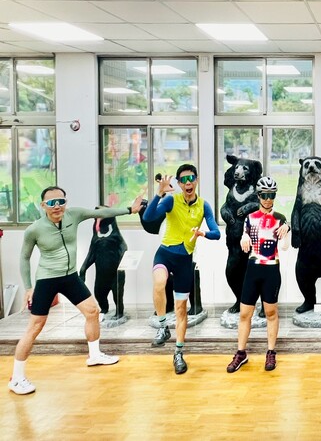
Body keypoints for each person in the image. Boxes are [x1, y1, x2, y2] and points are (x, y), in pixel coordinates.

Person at [9, 186, 143, 395]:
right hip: (47, 279)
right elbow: (24, 257)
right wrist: (28, 287)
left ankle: (94, 355)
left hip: (70, 277)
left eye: (61, 201)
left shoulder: (74, 214)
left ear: (66, 202)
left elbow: (103, 212)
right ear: (43, 205)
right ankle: (17, 378)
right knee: (35, 326)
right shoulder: (34, 229)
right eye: (51, 203)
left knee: (92, 311)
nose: (57, 206)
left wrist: (129, 210)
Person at [143, 164, 220, 375]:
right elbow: (148, 218)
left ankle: (178, 353)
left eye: (191, 178)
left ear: (196, 180)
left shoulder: (204, 206)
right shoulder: (171, 200)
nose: (188, 183)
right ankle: (162, 327)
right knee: (159, 283)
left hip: (185, 260)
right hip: (165, 253)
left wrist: (203, 233)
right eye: (183, 180)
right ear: (178, 183)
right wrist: (159, 194)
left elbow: (216, 233)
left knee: (180, 309)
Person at [227, 176, 289, 373]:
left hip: (271, 269)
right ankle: (241, 353)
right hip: (253, 269)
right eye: (264, 195)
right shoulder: (250, 218)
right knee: (245, 313)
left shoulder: (280, 218)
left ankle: (271, 352)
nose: (268, 199)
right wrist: (244, 237)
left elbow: (285, 246)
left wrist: (287, 229)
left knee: (271, 313)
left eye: (271, 195)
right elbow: (244, 237)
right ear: (258, 196)